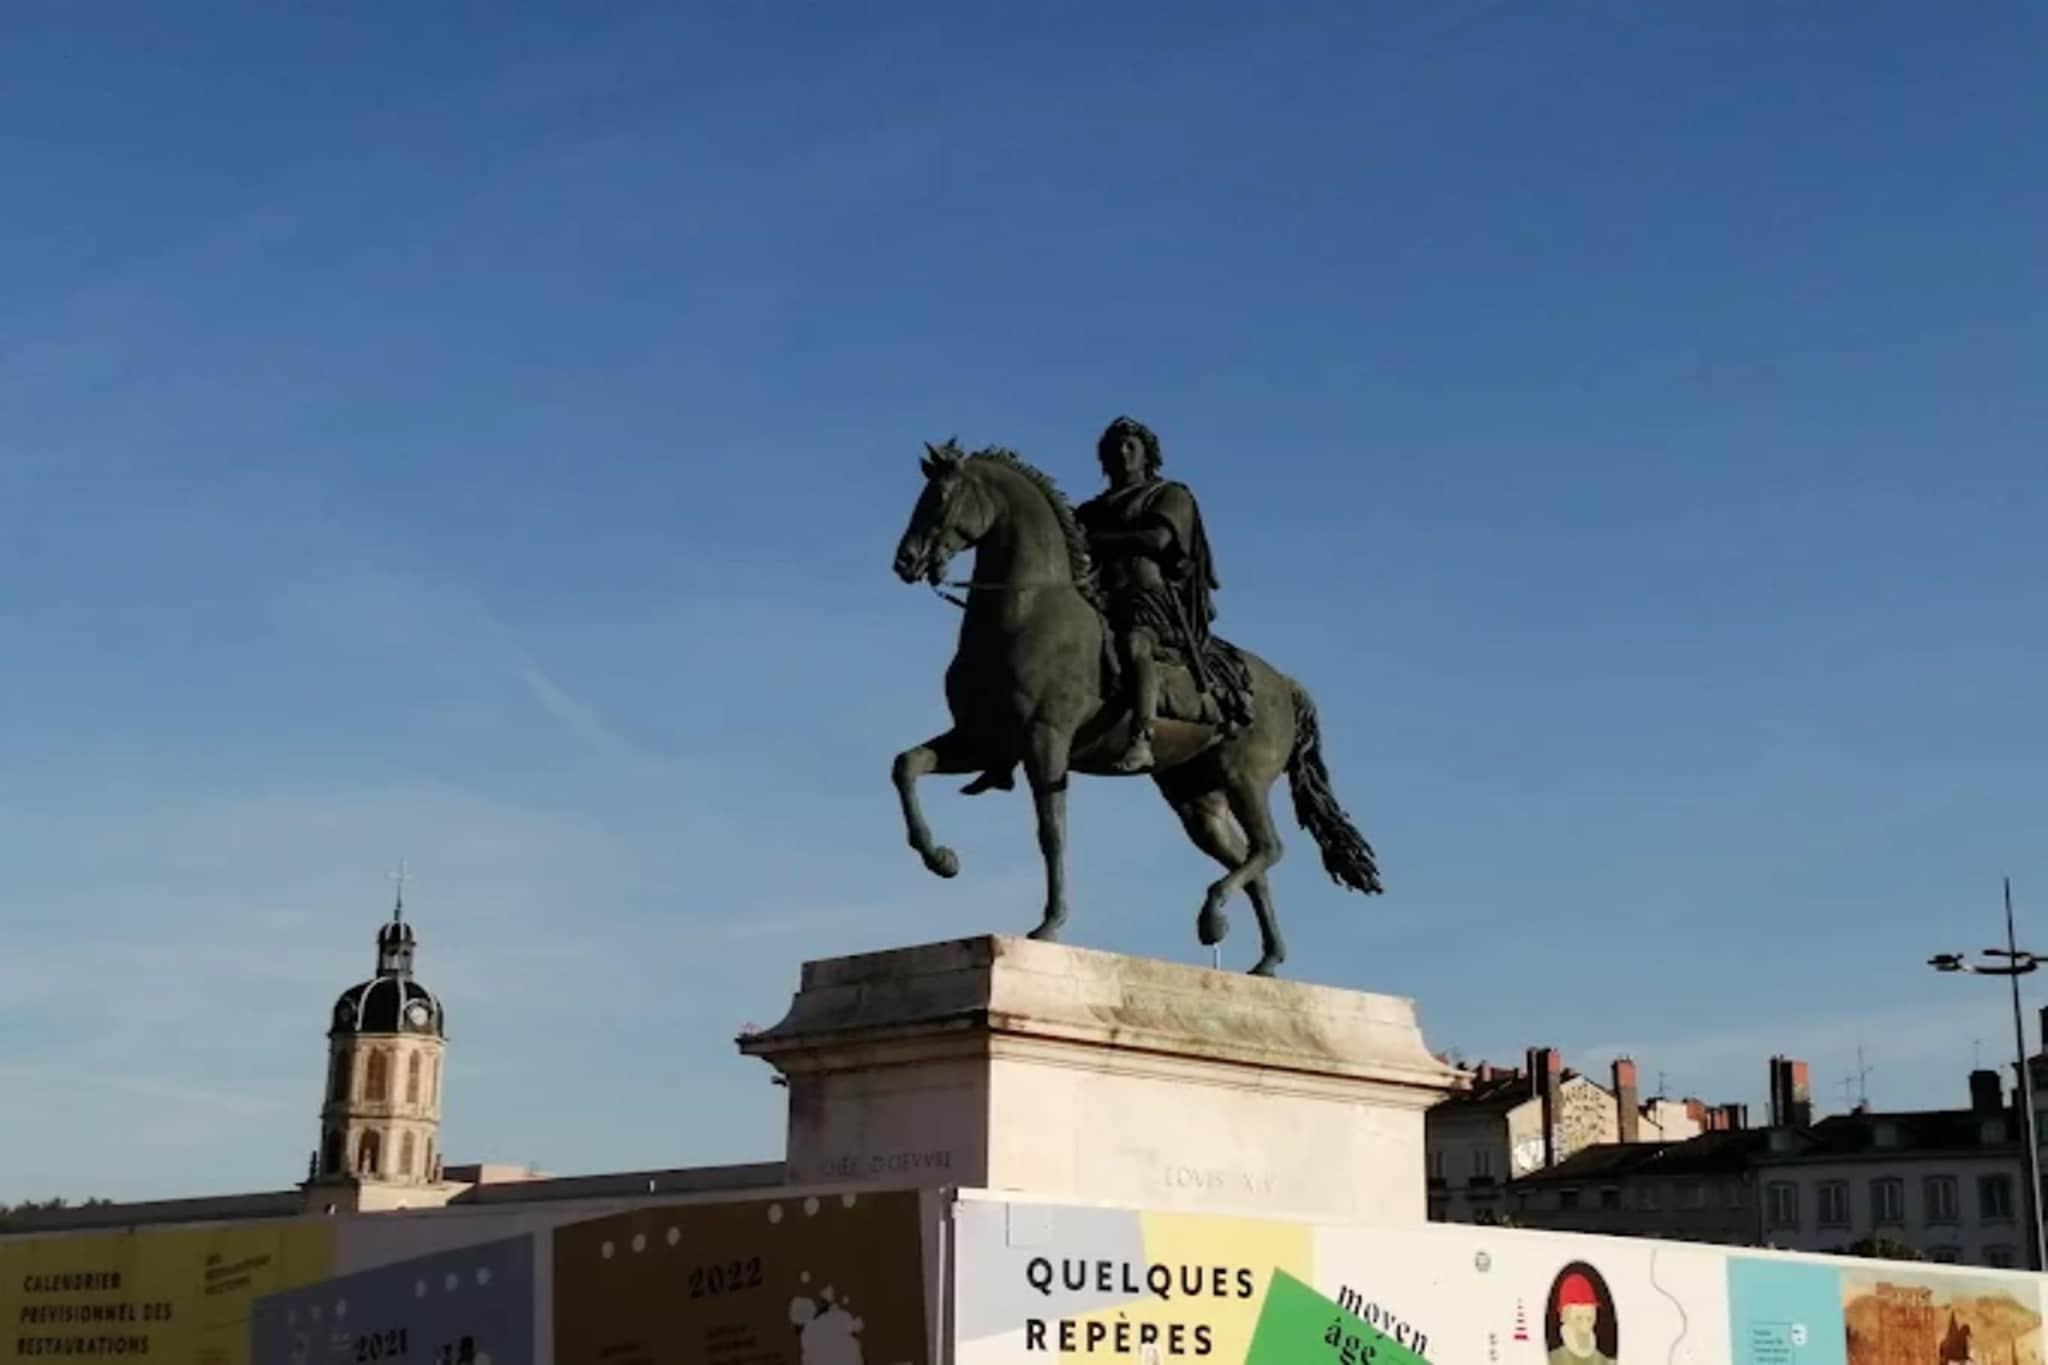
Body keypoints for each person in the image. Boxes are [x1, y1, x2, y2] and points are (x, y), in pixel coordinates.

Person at [1075, 416, 1247, 773]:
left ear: (1147, 453)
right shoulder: (1091, 510)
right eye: (1114, 448)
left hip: (1149, 600)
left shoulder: (1168, 494)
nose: (1123, 453)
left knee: (1135, 645)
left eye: (1131, 446)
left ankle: (1142, 737)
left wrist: (1095, 541)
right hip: (1098, 597)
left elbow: (1158, 540)